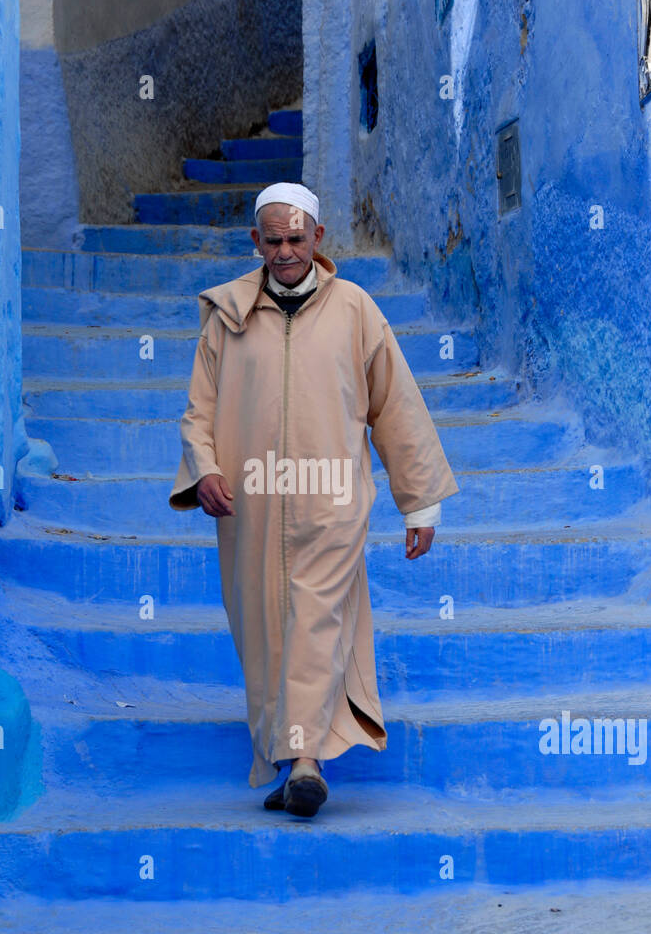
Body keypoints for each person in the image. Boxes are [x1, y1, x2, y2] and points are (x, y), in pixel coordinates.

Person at [170, 182, 458, 817]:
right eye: (272, 240)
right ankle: (290, 757)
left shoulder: (356, 310)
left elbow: (395, 406)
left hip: (332, 501)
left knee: (318, 618)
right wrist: (206, 470)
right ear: (256, 241)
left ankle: (305, 761)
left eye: (296, 238)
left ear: (318, 240)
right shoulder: (226, 318)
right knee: (263, 630)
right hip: (250, 506)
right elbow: (199, 412)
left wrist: (419, 502)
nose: (284, 250)